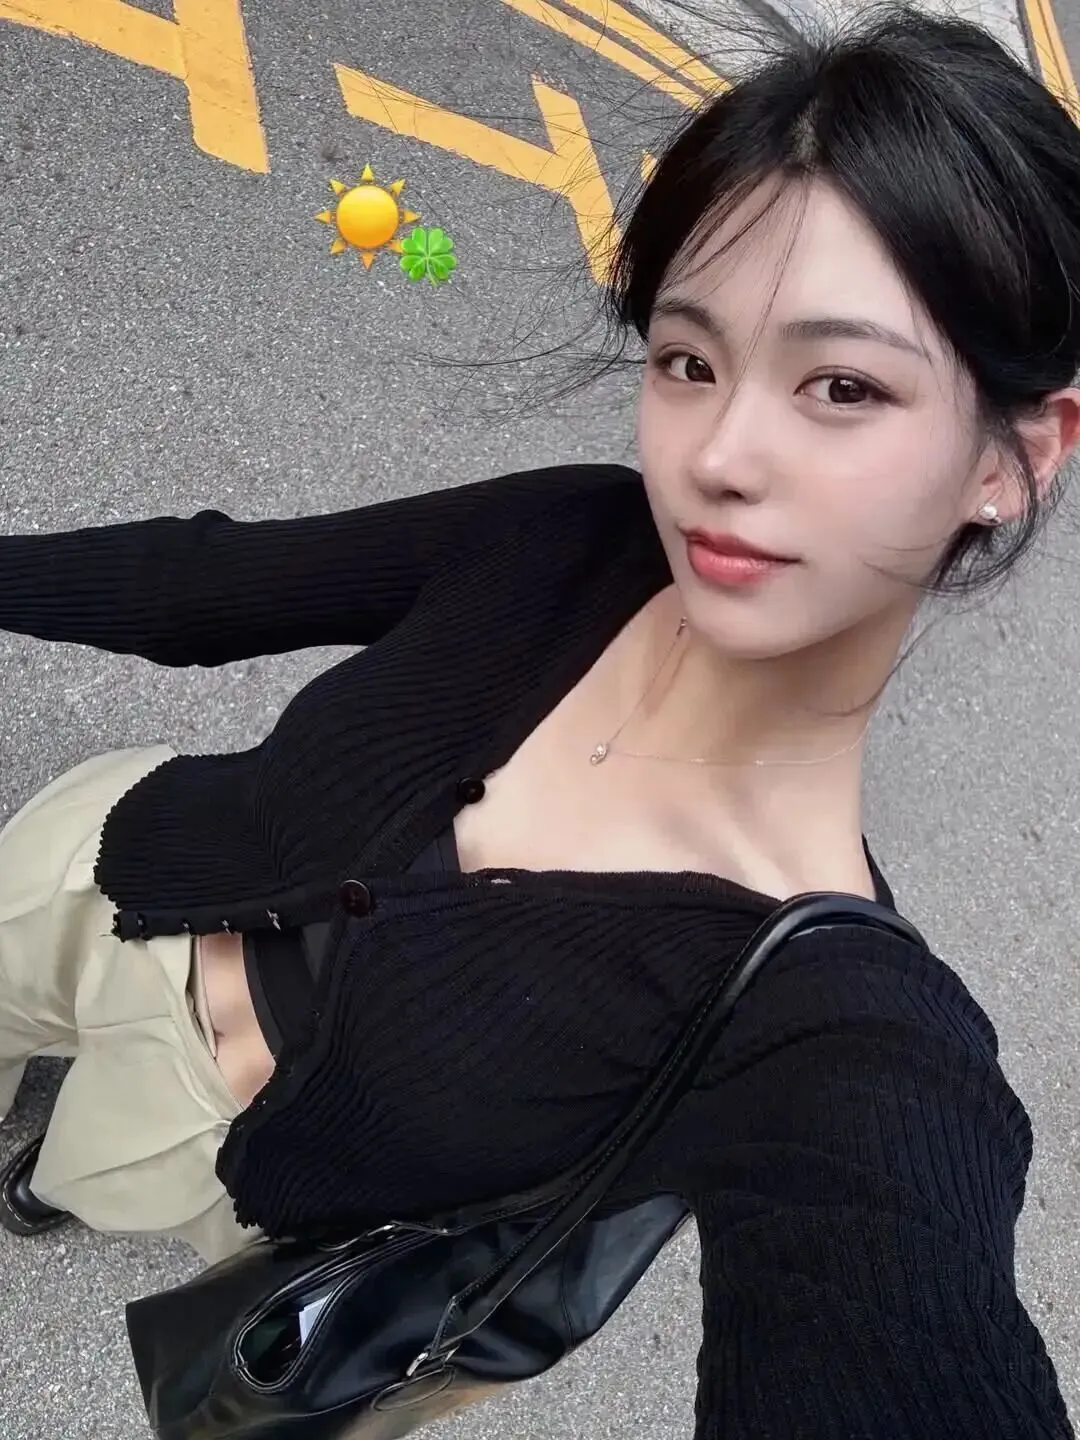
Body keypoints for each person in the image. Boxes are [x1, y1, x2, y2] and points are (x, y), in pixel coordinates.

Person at [0, 4, 1077, 1434]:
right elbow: (208, 585)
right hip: (87, 883)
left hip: (228, 1184)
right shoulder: (568, 533)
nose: (720, 456)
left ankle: (51, 1168)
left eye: (843, 386)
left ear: (1017, 457)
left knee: (88, 1169)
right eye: (689, 361)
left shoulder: (832, 1030)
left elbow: (893, 1304)